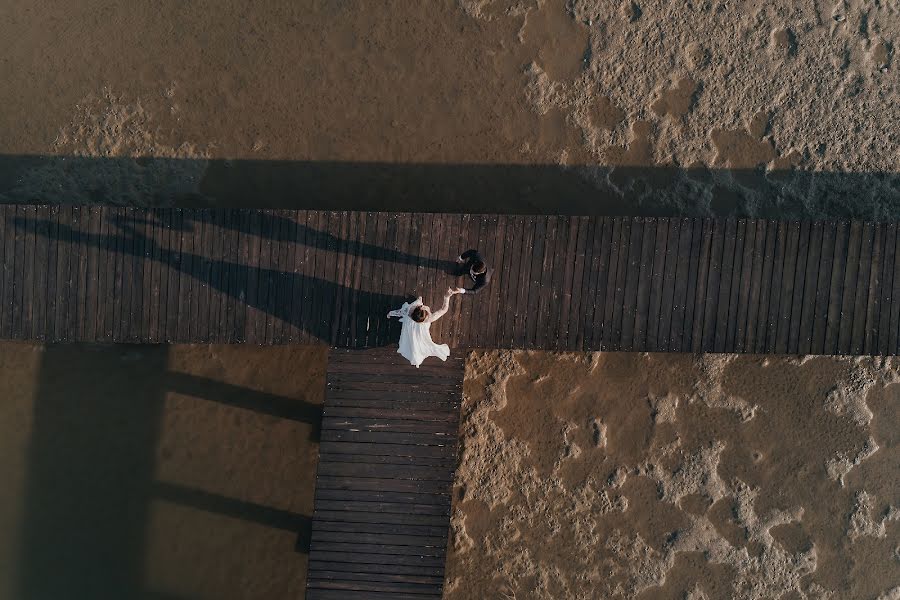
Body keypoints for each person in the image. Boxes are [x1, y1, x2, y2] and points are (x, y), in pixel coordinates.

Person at [387, 287, 464, 367]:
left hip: (410, 325)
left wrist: (390, 314)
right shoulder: (429, 319)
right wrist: (446, 297)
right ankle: (420, 300)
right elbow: (443, 309)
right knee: (418, 343)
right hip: (419, 328)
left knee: (419, 300)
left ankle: (419, 300)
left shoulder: (407, 311)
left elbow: (398, 312)